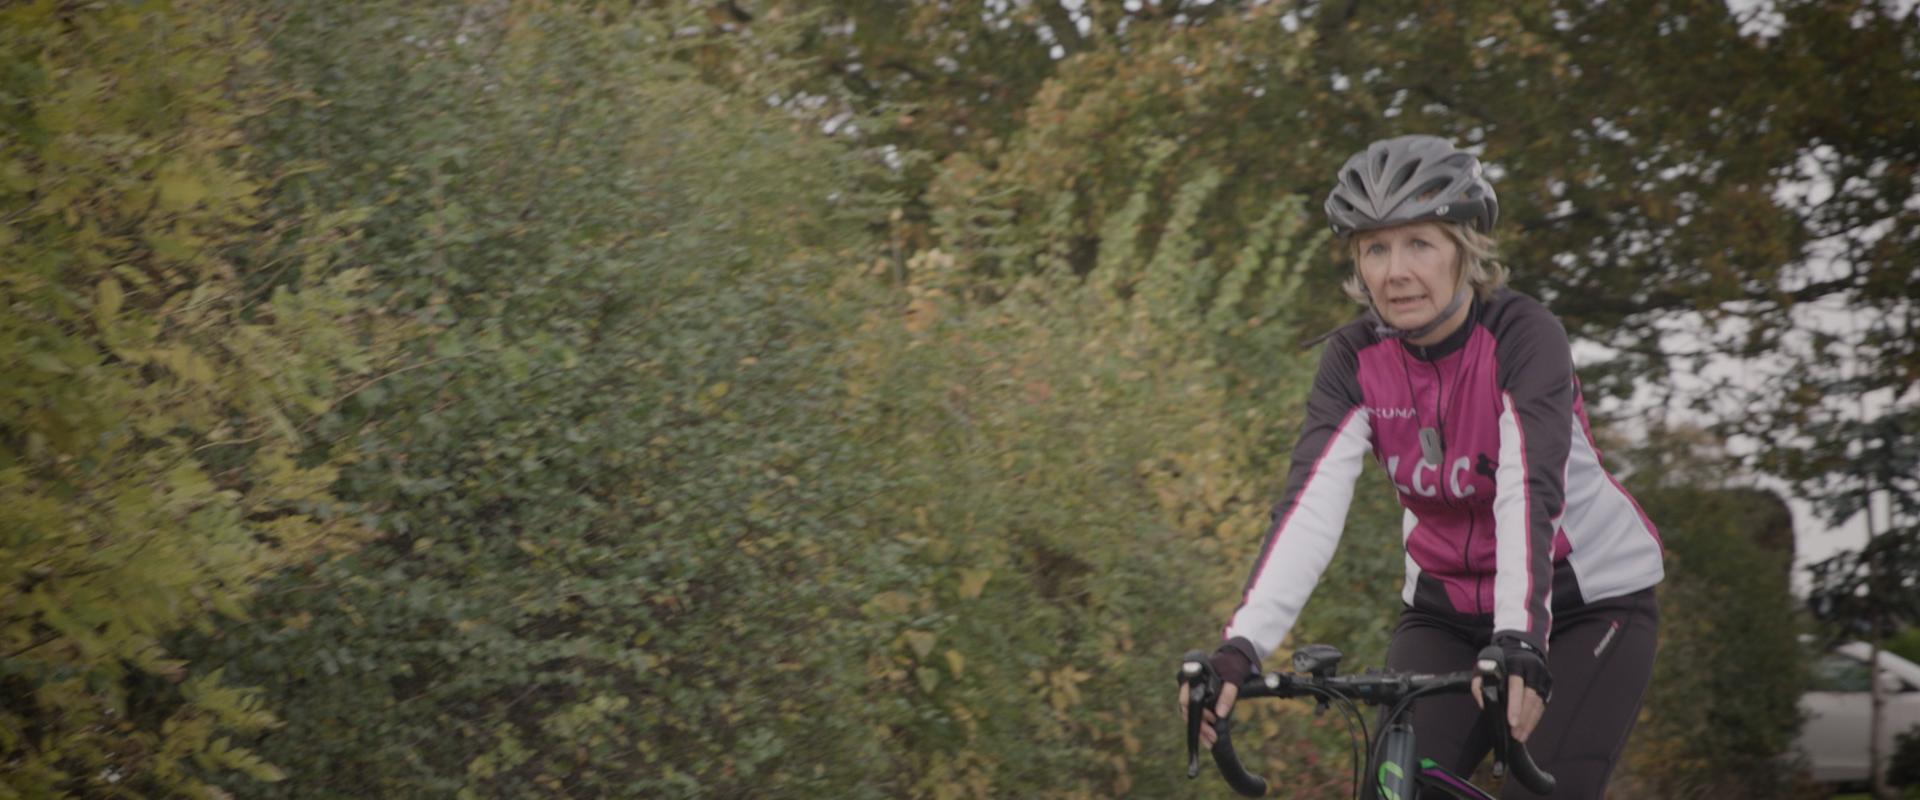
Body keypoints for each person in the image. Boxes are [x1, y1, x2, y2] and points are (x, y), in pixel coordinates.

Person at [1179, 135, 1665, 799]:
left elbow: (1527, 492)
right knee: (1394, 788)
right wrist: (1241, 649)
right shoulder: (1355, 361)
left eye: (1419, 244)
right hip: (1444, 612)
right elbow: (1309, 508)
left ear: (1464, 252)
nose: (1395, 271)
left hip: (1584, 603)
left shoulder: (1523, 337)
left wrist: (1521, 637)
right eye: (1375, 248)